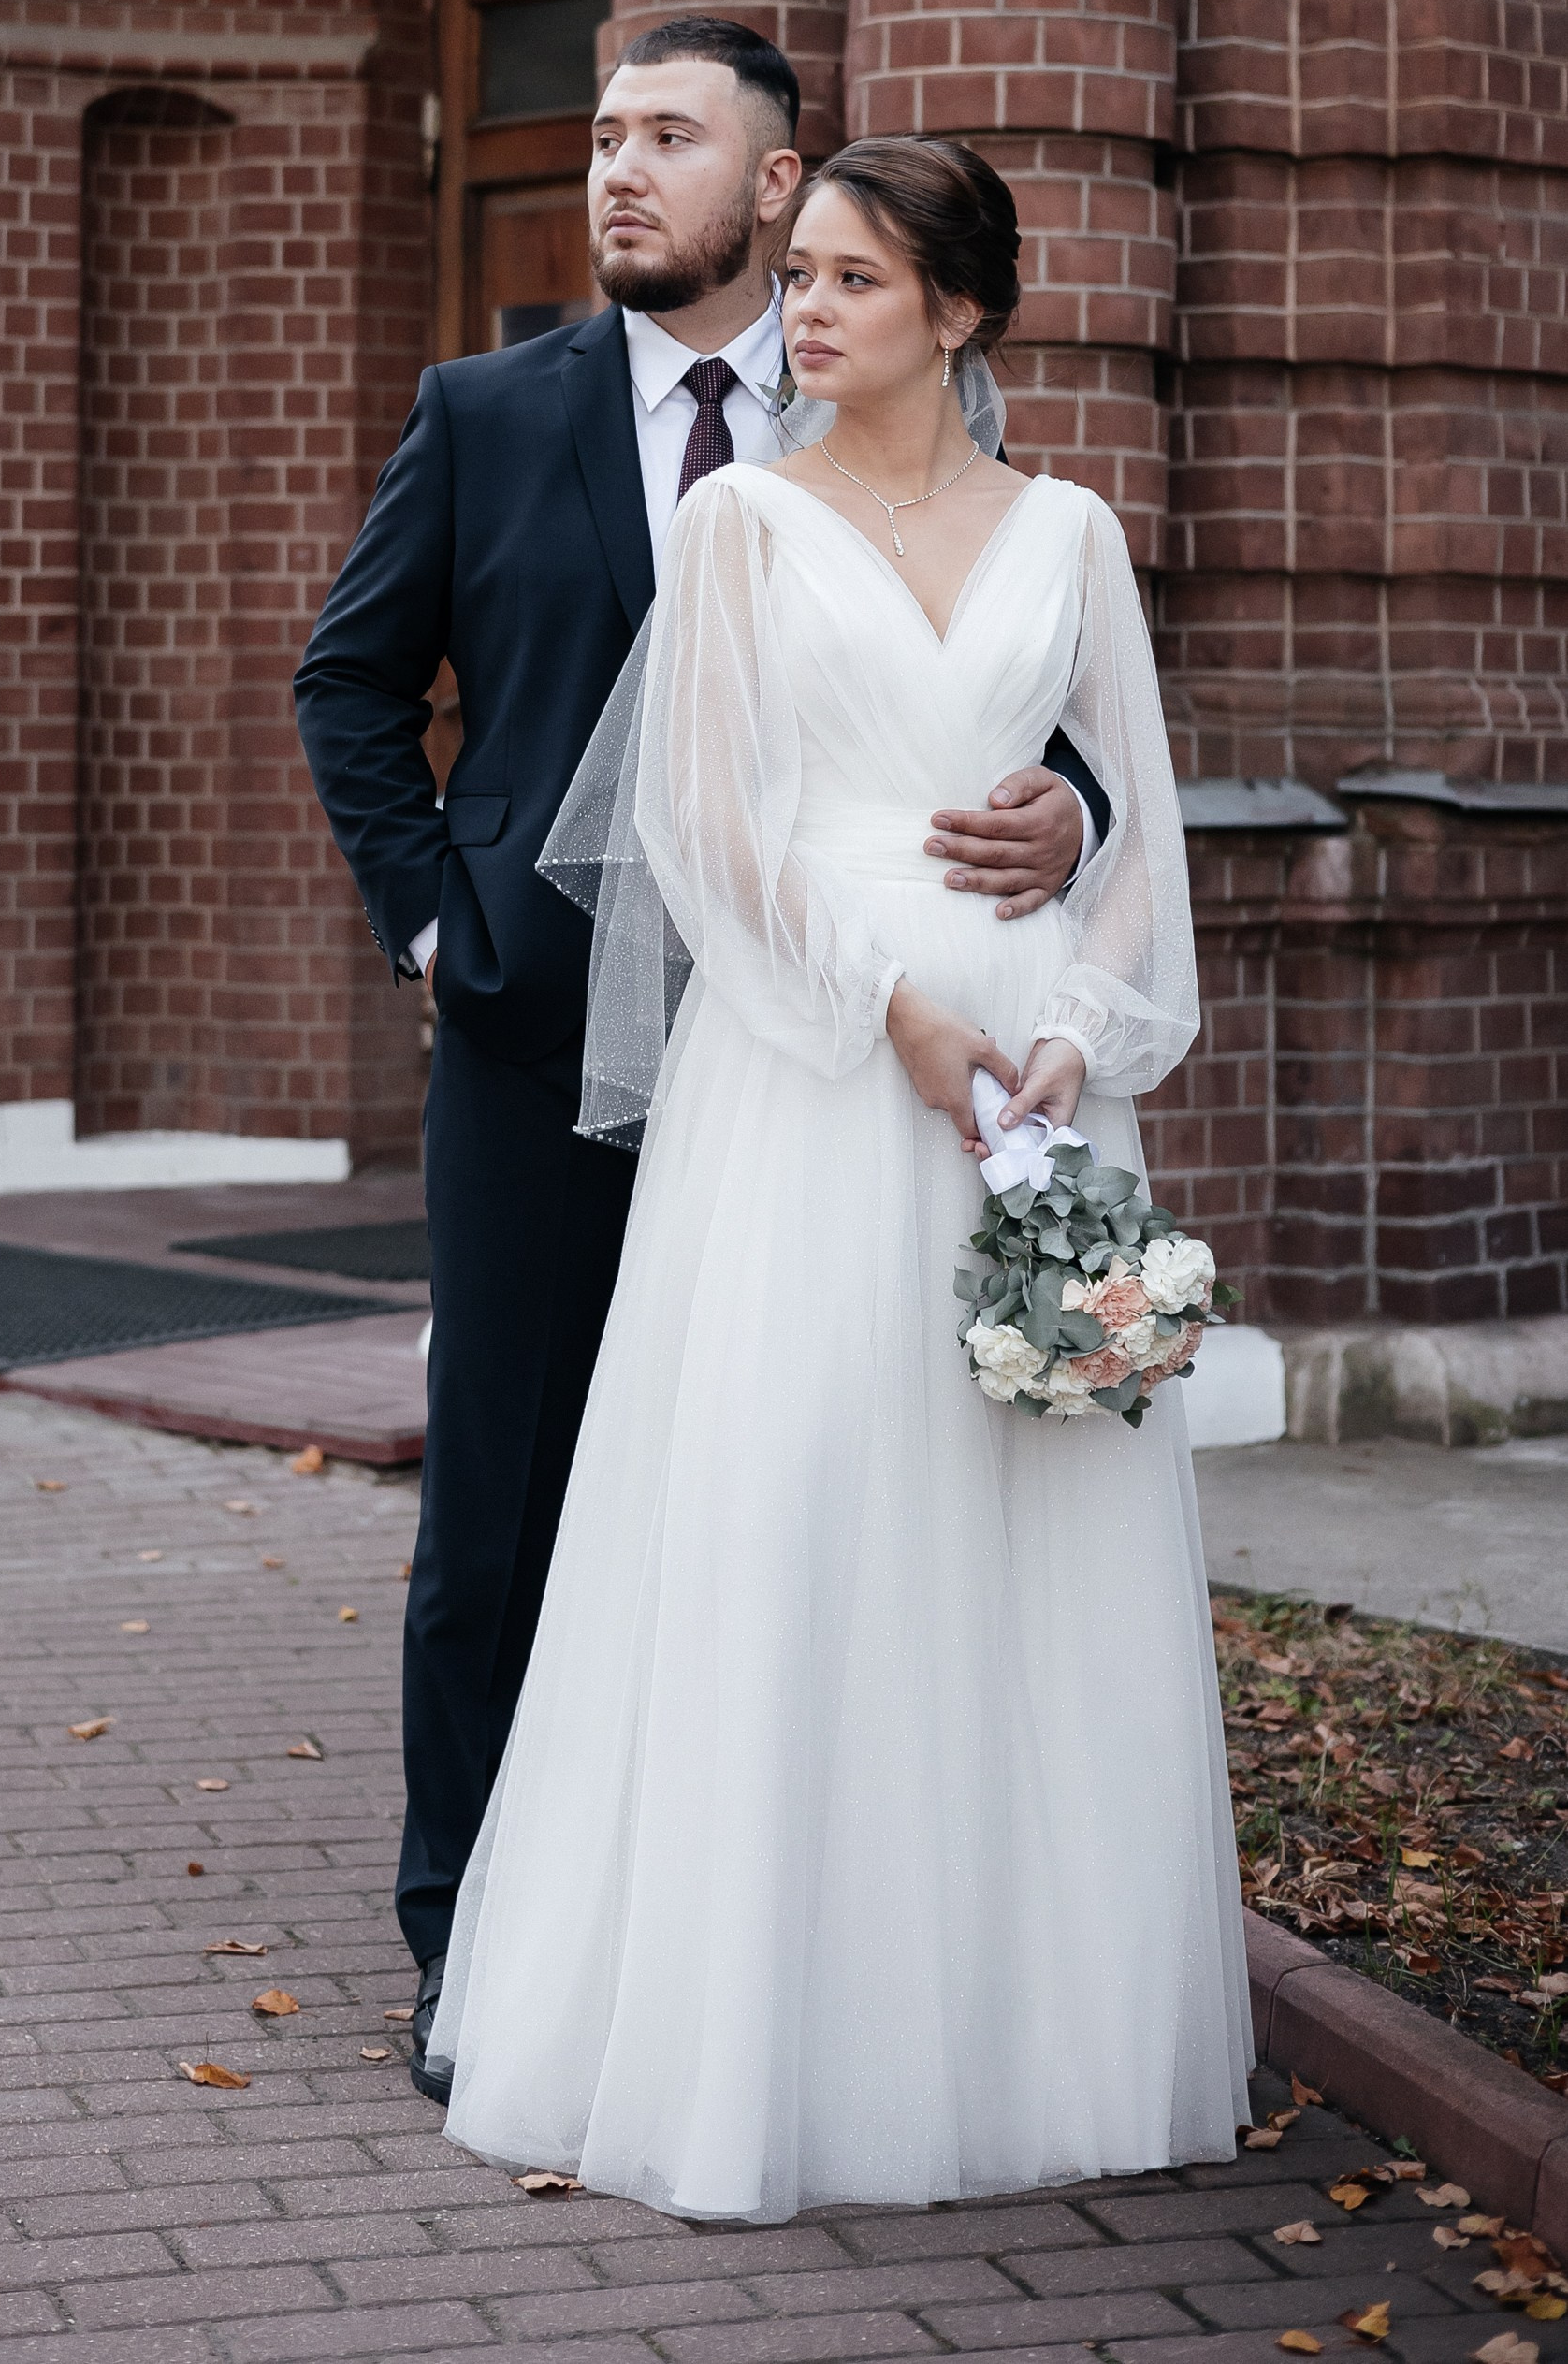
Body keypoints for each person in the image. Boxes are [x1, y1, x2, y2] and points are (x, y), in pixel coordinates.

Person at [426, 133, 1252, 2218]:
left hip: (1033, 1067)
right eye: (797, 275)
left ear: (955, 312)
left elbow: (1138, 821)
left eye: (853, 281)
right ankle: (762, 2034)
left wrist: (1077, 1024)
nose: (803, 311)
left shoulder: (1071, 528)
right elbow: (706, 826)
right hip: (813, 1062)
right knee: (804, 1507)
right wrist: (890, 1010)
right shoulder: (738, 528)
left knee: (1028, 1521)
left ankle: (1022, 2035)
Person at [293, 21, 1109, 2097]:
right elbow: (353, 680)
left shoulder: (903, 417)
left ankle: (761, 1930)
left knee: (772, 1490)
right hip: (540, 1033)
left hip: (820, 1071)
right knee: (510, 1495)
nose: (616, 171)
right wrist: (440, 923)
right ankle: (477, 1934)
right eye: (599, 135)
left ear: (775, 182)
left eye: (670, 135)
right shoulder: (488, 410)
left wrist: (1074, 814)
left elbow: (1006, 696)